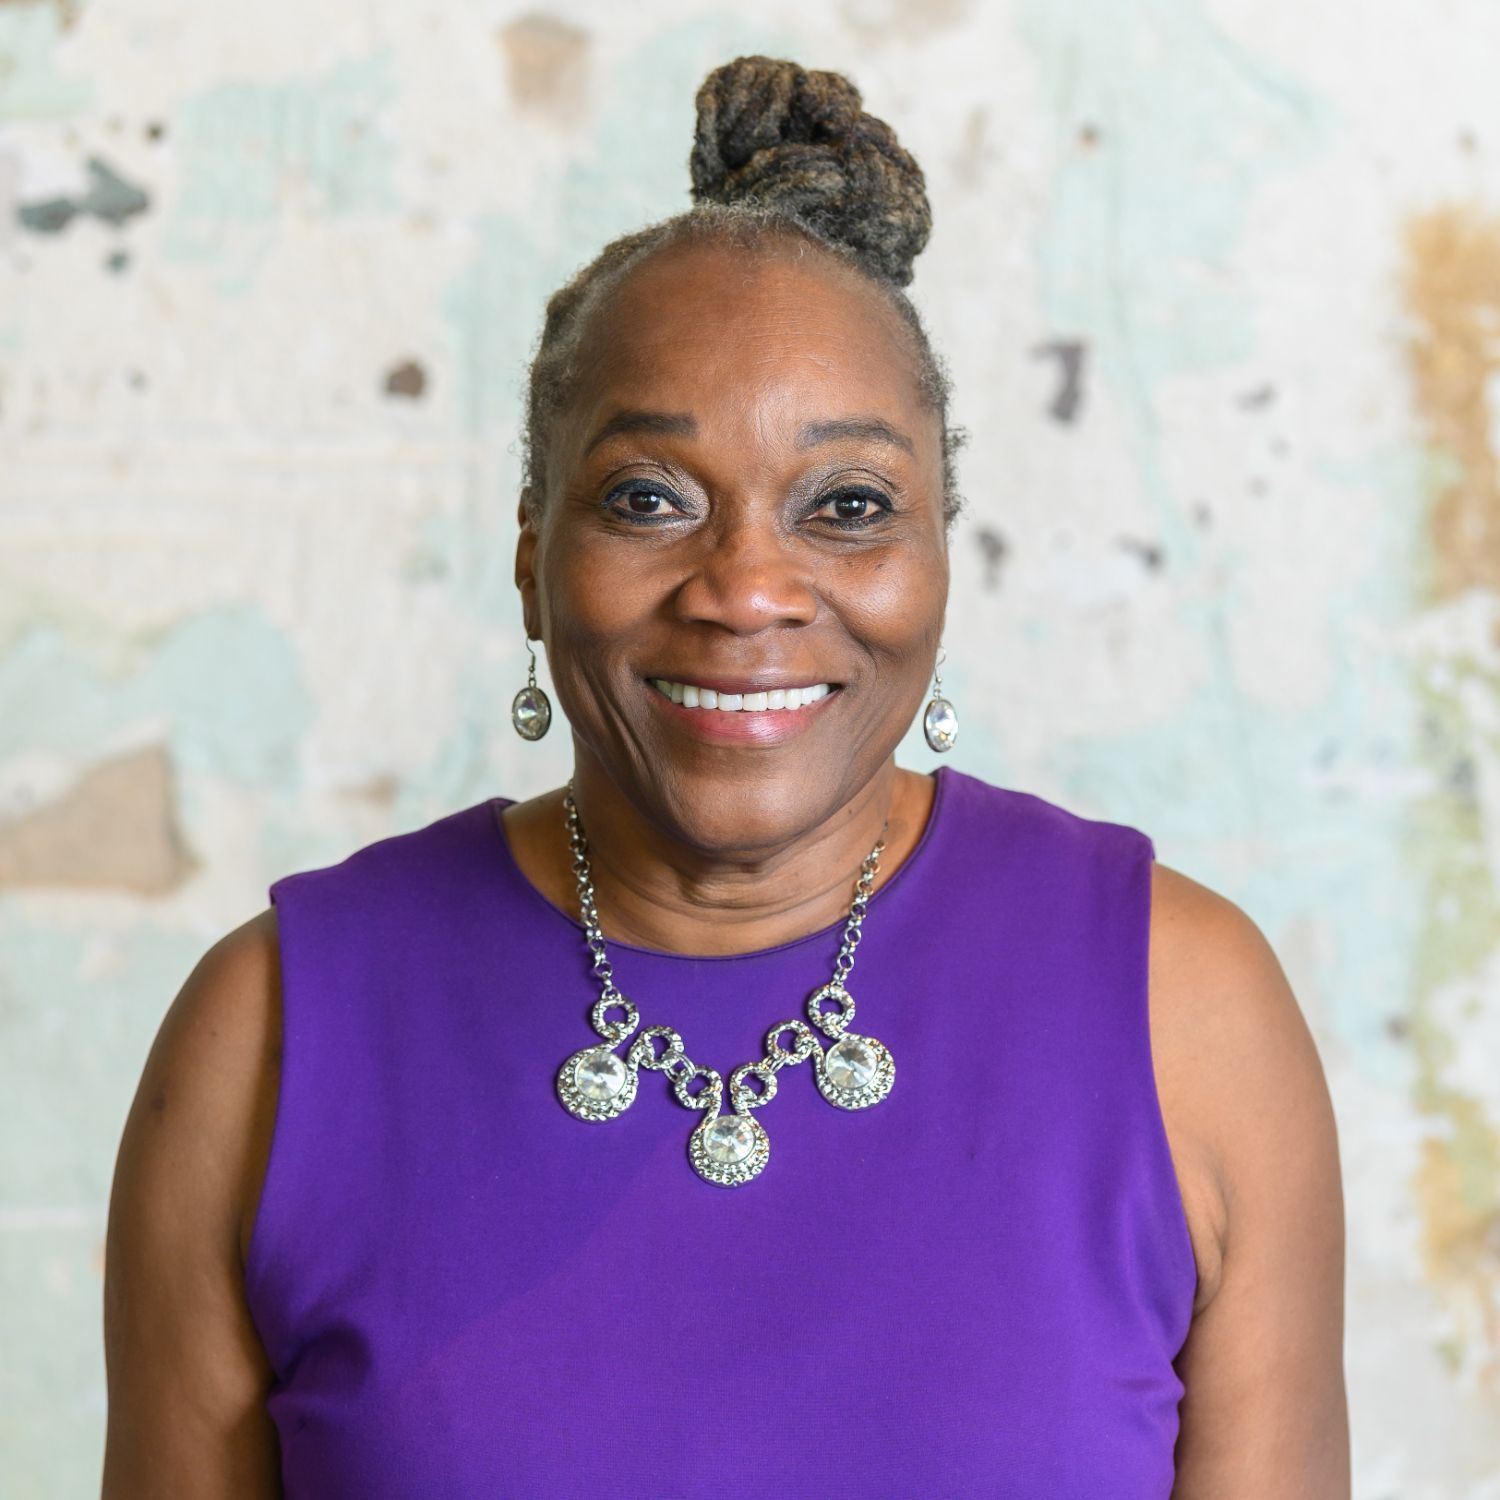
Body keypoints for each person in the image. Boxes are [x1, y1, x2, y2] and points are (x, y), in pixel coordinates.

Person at [101, 55, 1349, 1499]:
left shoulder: (1182, 1008)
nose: (748, 589)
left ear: (939, 554)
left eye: (849, 507)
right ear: (530, 552)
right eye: (649, 500)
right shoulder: (268, 1039)